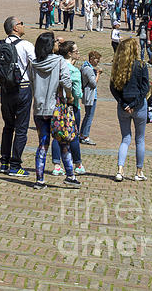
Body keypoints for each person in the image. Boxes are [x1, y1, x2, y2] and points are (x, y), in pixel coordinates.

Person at [28, 31, 80, 189]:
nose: (58, 43)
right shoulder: (59, 61)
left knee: (42, 144)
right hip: (56, 108)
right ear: (50, 45)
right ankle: (70, 175)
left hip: (39, 108)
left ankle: (39, 179)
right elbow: (66, 81)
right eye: (55, 42)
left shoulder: (34, 63)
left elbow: (31, 82)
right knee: (64, 141)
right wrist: (69, 96)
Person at [0, 16, 35, 177]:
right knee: (21, 128)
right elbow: (35, 66)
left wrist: (3, 82)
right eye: (21, 23)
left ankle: (4, 162)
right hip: (23, 89)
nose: (23, 25)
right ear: (15, 28)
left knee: (8, 126)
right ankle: (15, 165)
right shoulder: (26, 45)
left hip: (5, 91)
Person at [110, 37, 150, 182]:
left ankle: (120, 169)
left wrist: (123, 103)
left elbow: (113, 88)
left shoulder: (118, 65)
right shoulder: (141, 65)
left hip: (123, 106)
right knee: (139, 139)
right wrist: (134, 104)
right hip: (138, 106)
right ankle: (139, 171)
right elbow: (145, 88)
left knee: (125, 139)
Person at [51, 40, 85, 177]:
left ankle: (57, 165)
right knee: (73, 135)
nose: (78, 53)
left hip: (56, 105)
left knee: (57, 134)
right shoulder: (74, 71)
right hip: (71, 106)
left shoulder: (56, 64)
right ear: (70, 53)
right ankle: (77, 164)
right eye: (76, 51)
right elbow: (77, 94)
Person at [80, 50, 102, 144]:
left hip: (89, 94)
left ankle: (82, 134)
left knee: (87, 115)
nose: (98, 62)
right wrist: (98, 74)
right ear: (92, 59)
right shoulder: (88, 69)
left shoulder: (85, 67)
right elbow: (93, 83)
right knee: (89, 116)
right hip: (90, 95)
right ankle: (85, 136)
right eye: (97, 60)